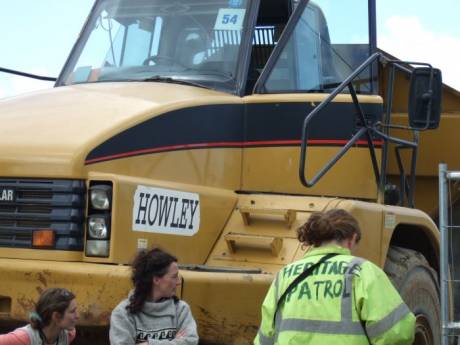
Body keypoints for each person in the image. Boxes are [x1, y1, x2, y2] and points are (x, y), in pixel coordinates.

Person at [254, 209, 416, 345]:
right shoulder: (362, 271)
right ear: (352, 239)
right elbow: (396, 332)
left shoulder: (285, 275)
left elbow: (265, 339)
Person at [109, 248, 198, 345]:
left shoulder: (181, 310)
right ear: (156, 280)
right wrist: (175, 342)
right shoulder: (123, 313)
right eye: (174, 276)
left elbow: (191, 342)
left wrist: (148, 344)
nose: (179, 282)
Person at [0, 288, 78, 345]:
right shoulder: (23, 338)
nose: (78, 316)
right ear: (56, 316)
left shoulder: (68, 335)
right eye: (72, 311)